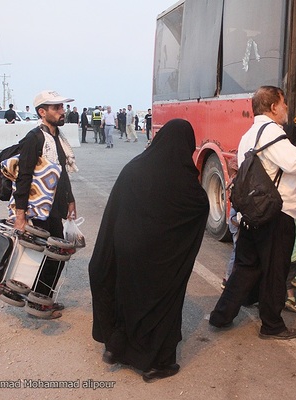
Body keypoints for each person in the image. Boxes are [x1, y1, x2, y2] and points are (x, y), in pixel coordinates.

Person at [209, 86, 296, 340]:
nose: (286, 108)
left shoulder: (249, 134)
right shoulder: (273, 132)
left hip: (252, 213)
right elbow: (295, 163)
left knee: (245, 268)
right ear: (273, 107)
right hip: (276, 214)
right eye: (283, 103)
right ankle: (272, 325)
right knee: (275, 271)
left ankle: (221, 315)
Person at [89, 119, 209, 382]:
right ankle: (157, 363)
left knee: (126, 295)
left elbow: (114, 212)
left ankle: (115, 347)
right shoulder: (183, 180)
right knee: (161, 303)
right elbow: (200, 206)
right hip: (159, 257)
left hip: (125, 248)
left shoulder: (133, 167)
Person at [11, 90, 78, 319]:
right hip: (38, 209)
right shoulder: (35, 138)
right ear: (42, 112)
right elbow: (24, 177)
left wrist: (70, 200)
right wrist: (20, 216)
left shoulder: (57, 138)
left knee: (56, 255)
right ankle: (38, 304)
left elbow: (62, 173)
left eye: (62, 107)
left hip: (55, 208)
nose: (62, 111)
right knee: (46, 256)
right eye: (56, 108)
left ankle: (43, 299)